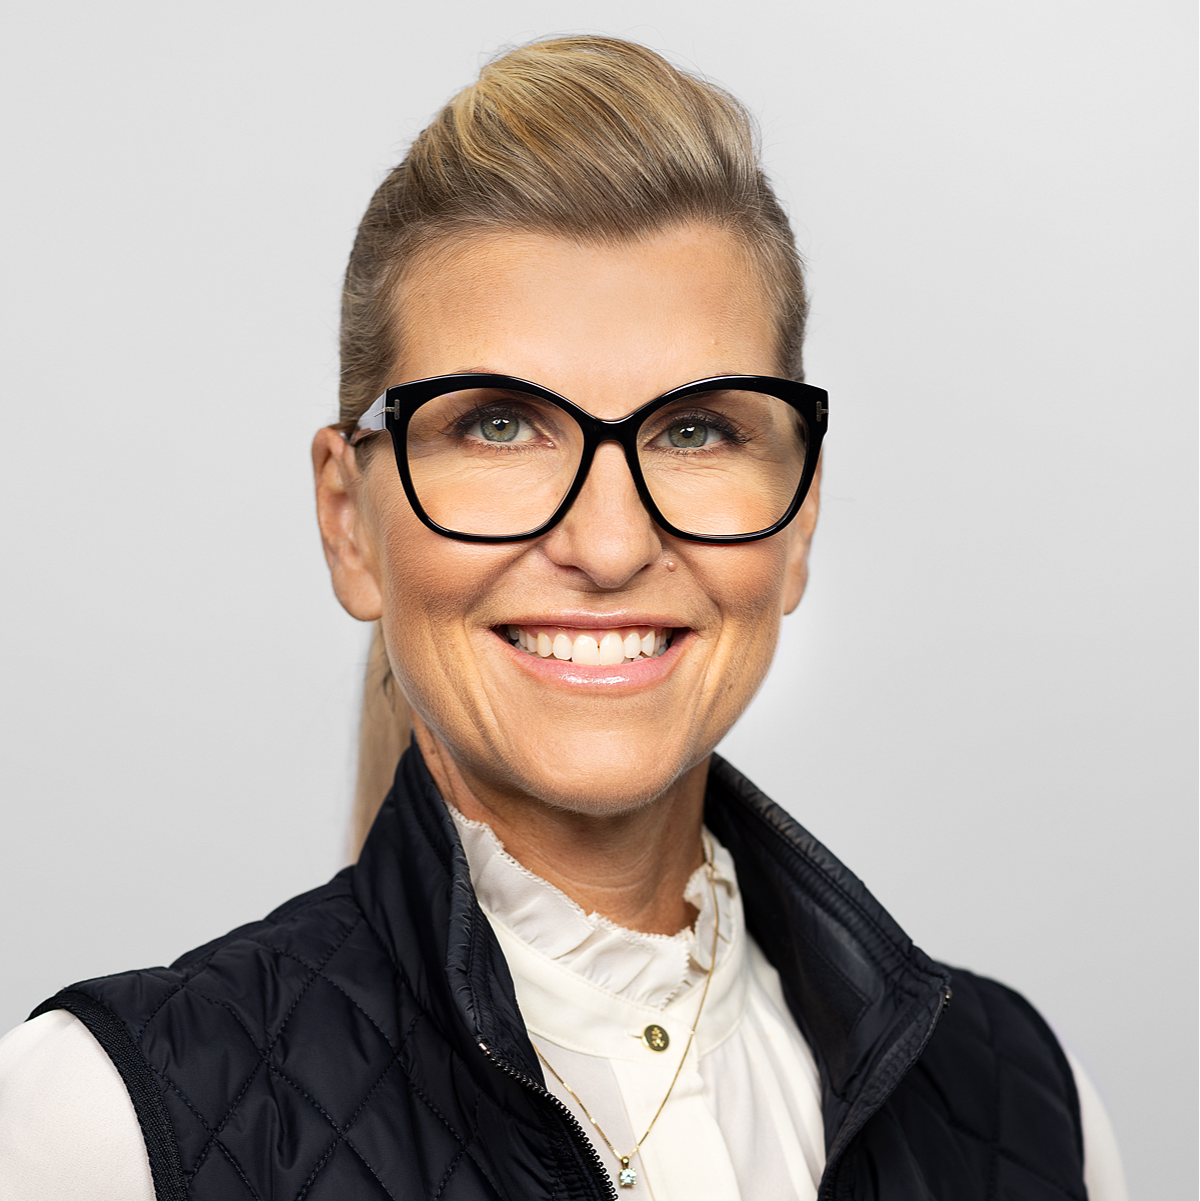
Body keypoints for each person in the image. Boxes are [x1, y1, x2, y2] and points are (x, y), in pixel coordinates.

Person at [0, 36, 1126, 1201]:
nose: (610, 544)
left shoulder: (1032, 1113)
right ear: (348, 522)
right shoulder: (103, 1126)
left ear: (798, 523)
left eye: (696, 430)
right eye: (497, 424)